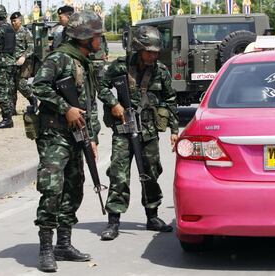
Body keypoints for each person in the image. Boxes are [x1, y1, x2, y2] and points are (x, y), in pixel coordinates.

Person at [32, 10, 112, 272]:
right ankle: (46, 248)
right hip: (55, 135)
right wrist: (64, 107)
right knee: (52, 189)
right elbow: (39, 86)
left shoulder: (86, 62)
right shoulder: (59, 58)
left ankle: (64, 244)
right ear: (84, 37)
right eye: (97, 35)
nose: (100, 40)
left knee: (74, 188)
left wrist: (94, 137)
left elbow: (89, 104)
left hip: (78, 136)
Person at [98, 25, 179, 240]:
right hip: (124, 129)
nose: (153, 55)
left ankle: (152, 217)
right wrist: (114, 104)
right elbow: (102, 85)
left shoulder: (161, 70)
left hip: (149, 131)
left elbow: (170, 100)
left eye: (155, 51)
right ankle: (113, 221)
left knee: (151, 173)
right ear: (138, 48)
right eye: (149, 51)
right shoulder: (121, 66)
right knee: (118, 174)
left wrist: (174, 129)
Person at [10, 11, 37, 114]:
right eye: (11, 21)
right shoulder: (10, 33)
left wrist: (24, 56)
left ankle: (32, 98)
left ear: (20, 21)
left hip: (25, 62)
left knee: (21, 84)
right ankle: (12, 109)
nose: (13, 23)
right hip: (12, 62)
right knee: (12, 86)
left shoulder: (26, 32)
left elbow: (31, 47)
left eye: (15, 21)